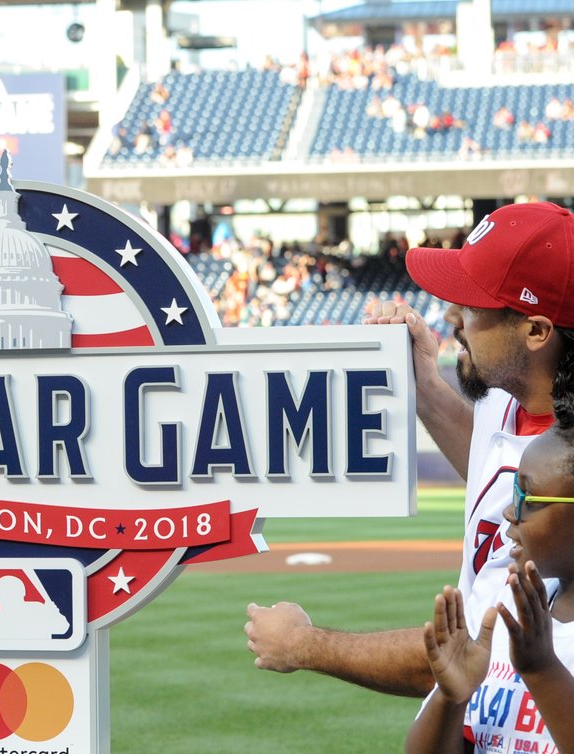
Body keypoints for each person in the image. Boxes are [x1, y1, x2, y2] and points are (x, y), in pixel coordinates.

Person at [245, 201, 574, 697]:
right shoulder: (514, 398)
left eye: (472, 305)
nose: (450, 316)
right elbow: (495, 464)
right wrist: (425, 386)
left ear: (535, 331)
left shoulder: (560, 489)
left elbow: (468, 658)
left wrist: (304, 644)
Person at [405, 414, 574, 754]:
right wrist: (450, 698)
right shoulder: (500, 609)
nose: (509, 513)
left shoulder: (529, 640)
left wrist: (541, 669)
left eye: (527, 496)